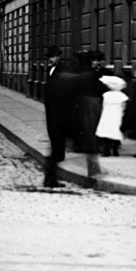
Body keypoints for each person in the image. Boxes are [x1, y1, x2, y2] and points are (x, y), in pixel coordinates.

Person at [42, 46, 76, 188]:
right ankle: (56, 160)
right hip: (52, 109)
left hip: (59, 110)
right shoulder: (50, 70)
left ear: (58, 57)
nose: (51, 59)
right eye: (49, 57)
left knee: (57, 135)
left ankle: (53, 170)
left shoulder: (62, 70)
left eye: (53, 56)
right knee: (54, 134)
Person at [75, 51, 107, 178]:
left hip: (93, 105)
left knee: (91, 135)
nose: (97, 63)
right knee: (92, 136)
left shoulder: (87, 74)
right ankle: (94, 170)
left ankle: (94, 169)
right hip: (93, 105)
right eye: (94, 60)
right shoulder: (92, 75)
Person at [96, 75, 128, 156]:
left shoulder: (106, 95)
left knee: (107, 131)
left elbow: (104, 104)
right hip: (117, 113)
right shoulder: (122, 96)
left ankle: (107, 150)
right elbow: (124, 106)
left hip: (108, 113)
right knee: (115, 131)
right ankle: (115, 150)